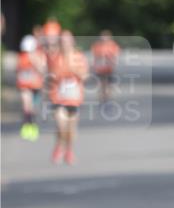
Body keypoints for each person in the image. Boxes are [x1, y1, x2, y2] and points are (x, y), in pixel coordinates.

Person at [49, 30, 89, 165]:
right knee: (61, 126)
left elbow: (85, 76)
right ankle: (59, 145)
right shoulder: (55, 57)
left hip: (74, 98)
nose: (65, 44)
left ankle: (68, 150)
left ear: (72, 42)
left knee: (71, 129)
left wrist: (74, 70)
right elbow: (50, 76)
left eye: (67, 41)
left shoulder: (79, 57)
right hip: (58, 98)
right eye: (62, 41)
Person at [16, 35, 47, 140]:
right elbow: (18, 71)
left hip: (36, 86)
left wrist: (35, 62)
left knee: (33, 109)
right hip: (25, 86)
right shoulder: (21, 57)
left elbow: (43, 70)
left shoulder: (39, 56)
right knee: (26, 106)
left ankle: (33, 126)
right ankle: (26, 127)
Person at [91, 30, 121, 103]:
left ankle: (107, 98)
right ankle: (102, 98)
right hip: (100, 69)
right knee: (101, 84)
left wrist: (112, 62)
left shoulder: (113, 45)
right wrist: (94, 66)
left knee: (108, 84)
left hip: (109, 68)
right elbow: (94, 57)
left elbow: (116, 57)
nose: (104, 39)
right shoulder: (97, 45)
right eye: (103, 37)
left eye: (106, 37)